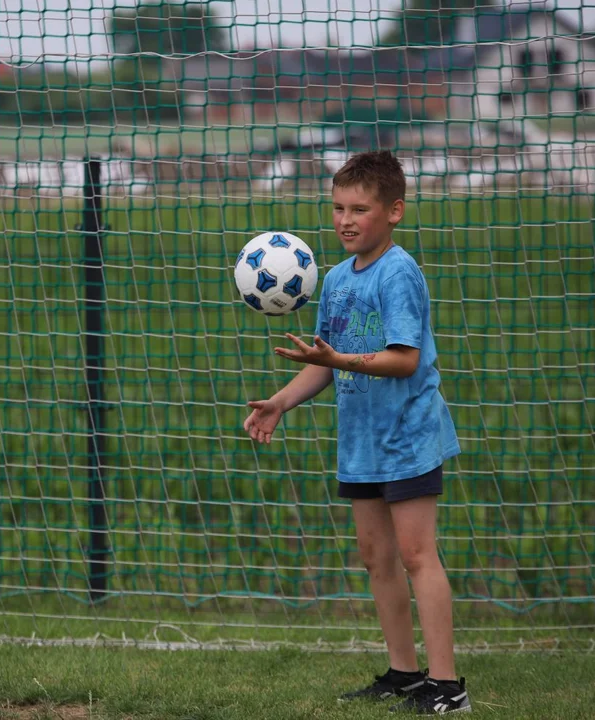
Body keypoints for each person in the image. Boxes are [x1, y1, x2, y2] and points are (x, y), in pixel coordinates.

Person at [243, 151, 470, 714]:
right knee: (376, 558)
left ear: (394, 211)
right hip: (363, 441)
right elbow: (326, 361)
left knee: (419, 556)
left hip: (409, 435)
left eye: (360, 209)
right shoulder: (337, 278)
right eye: (338, 208)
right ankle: (404, 674)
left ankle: (449, 686)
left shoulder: (399, 272)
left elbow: (405, 359)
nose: (345, 220)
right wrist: (280, 402)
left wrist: (341, 359)